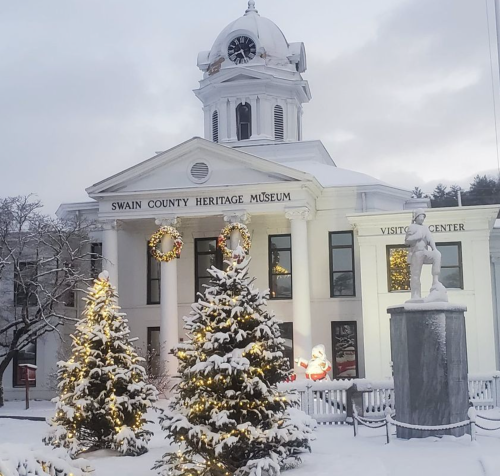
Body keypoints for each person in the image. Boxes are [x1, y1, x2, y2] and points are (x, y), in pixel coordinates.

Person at [405, 209, 447, 302]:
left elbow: (430, 239)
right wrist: (417, 236)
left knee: (437, 255)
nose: (422, 218)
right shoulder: (412, 227)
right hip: (416, 252)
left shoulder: (425, 228)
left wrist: (434, 249)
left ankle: (435, 280)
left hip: (425, 252)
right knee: (416, 275)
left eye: (424, 216)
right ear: (416, 217)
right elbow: (407, 240)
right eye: (421, 216)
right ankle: (416, 294)